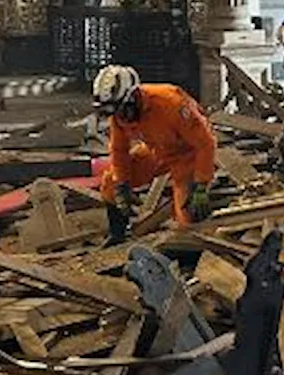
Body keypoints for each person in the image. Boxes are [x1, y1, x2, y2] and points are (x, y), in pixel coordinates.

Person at [93, 65, 217, 244]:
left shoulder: (171, 103)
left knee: (187, 216)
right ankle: (117, 234)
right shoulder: (119, 115)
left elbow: (205, 143)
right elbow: (119, 150)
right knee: (110, 183)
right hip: (156, 150)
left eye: (122, 110)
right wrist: (122, 184)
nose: (121, 117)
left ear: (133, 98)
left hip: (186, 154)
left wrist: (201, 185)